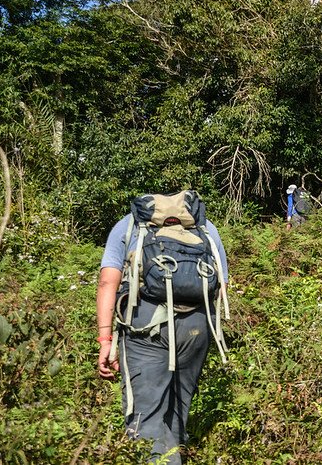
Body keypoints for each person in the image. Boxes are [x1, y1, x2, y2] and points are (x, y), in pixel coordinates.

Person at [96, 191, 229, 464]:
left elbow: (107, 282)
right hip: (197, 325)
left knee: (146, 418)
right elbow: (221, 283)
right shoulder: (204, 227)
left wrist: (105, 340)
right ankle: (173, 455)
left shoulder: (129, 224)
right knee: (177, 411)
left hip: (145, 325)